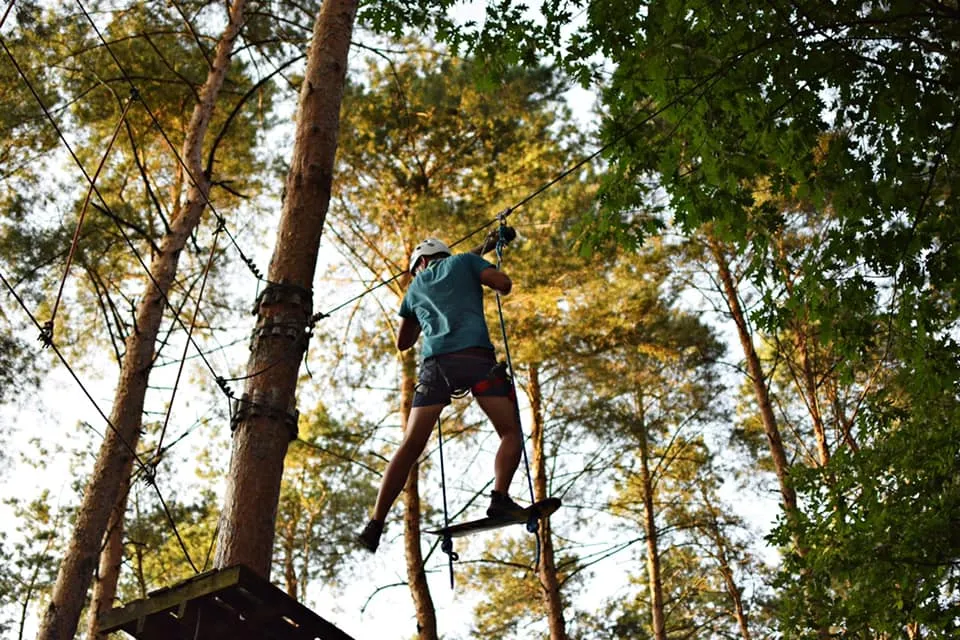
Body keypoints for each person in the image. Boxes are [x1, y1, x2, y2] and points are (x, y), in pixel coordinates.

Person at [357, 237, 524, 553]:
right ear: (443, 255)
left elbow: (403, 342)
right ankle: (500, 498)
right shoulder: (464, 262)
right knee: (509, 432)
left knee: (410, 445)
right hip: (477, 361)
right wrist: (478, 274)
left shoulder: (415, 287)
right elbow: (503, 284)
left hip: (437, 368)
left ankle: (375, 523)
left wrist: (427, 306)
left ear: (419, 264)